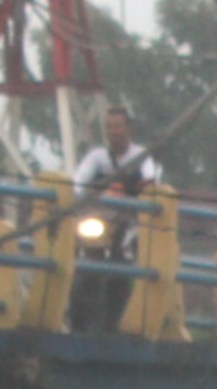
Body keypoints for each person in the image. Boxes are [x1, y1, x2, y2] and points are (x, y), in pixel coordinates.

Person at [64, 101, 161, 334]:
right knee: (77, 254)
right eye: (108, 126)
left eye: (117, 126)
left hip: (131, 223)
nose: (113, 131)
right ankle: (76, 317)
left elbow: (152, 184)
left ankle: (122, 318)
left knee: (130, 261)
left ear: (128, 129)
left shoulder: (142, 157)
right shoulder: (97, 157)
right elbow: (78, 183)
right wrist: (80, 195)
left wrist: (145, 188)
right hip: (100, 221)